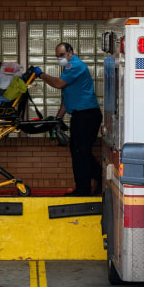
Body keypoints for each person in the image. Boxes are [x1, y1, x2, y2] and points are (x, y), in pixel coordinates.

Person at [34, 43, 102, 196]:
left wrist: (41, 75)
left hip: (87, 115)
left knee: (81, 152)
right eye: (57, 56)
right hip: (81, 115)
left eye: (62, 55)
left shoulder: (75, 66)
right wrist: (58, 118)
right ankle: (96, 179)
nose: (60, 59)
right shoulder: (68, 68)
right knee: (78, 151)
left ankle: (84, 189)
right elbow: (67, 98)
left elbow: (58, 84)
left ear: (71, 52)